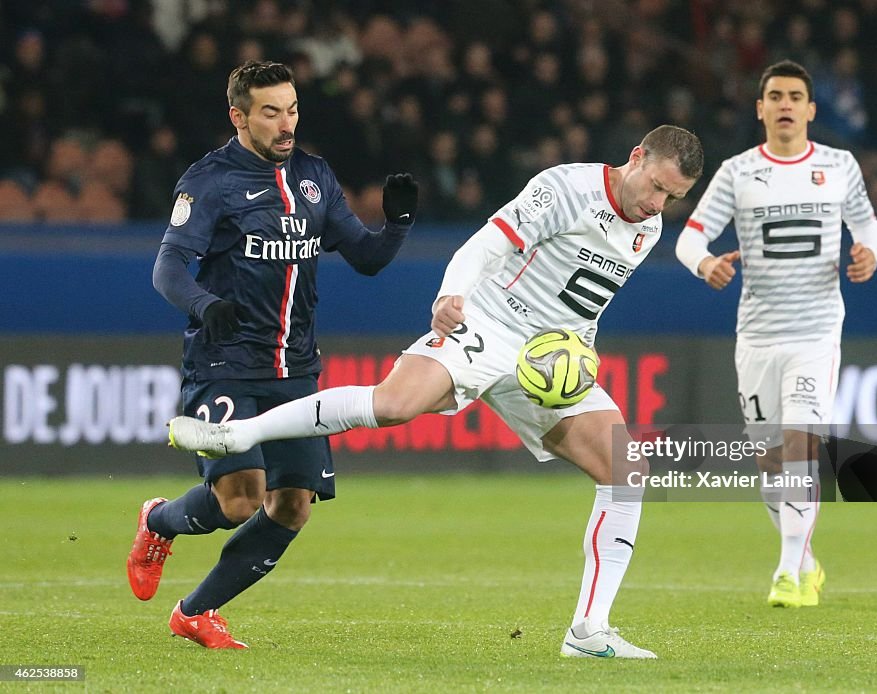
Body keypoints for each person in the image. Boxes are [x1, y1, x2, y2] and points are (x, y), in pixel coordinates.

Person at [167, 124, 704, 658]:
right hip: (489, 324)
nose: (659, 204)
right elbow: (487, 243)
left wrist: (582, 353)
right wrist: (452, 295)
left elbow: (587, 302)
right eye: (656, 187)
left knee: (627, 470)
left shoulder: (647, 229)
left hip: (545, 359)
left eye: (673, 197)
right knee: (393, 404)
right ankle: (238, 434)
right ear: (636, 157)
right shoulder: (566, 189)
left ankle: (588, 631)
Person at [126, 60, 419, 649]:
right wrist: (205, 304)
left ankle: (196, 612)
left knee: (291, 507)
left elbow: (364, 258)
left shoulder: (313, 175)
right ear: (239, 116)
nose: (286, 124)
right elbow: (167, 268)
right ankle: (158, 521)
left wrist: (397, 224)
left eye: (292, 110)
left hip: (297, 370)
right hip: (225, 361)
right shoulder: (209, 181)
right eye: (270, 112)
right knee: (239, 501)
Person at [675, 60, 877, 608]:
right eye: (775, 96)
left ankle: (788, 570)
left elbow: (867, 227)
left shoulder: (838, 166)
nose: (786, 104)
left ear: (811, 110)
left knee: (800, 446)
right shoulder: (738, 172)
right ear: (760, 108)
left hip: (816, 331)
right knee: (769, 457)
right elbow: (690, 237)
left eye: (795, 96)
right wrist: (705, 266)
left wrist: (867, 255)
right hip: (758, 335)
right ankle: (807, 559)